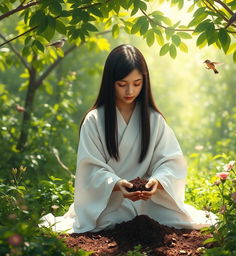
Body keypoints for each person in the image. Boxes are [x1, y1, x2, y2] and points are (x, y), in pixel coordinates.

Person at [41, 44, 217, 233]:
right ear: (110, 82)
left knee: (176, 220)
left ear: (145, 81)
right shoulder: (94, 120)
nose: (130, 91)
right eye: (122, 84)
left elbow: (170, 162)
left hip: (149, 202)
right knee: (107, 222)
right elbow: (90, 169)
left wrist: (156, 182)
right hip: (110, 202)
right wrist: (117, 184)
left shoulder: (153, 120)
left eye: (137, 83)